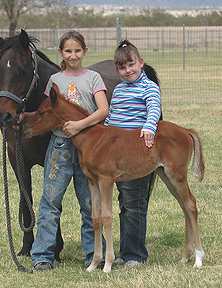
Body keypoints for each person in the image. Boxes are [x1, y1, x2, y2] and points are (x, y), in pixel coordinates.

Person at [31, 30, 109, 271]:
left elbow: (103, 110)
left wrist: (79, 125)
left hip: (89, 146)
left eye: (77, 50)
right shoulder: (54, 80)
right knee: (50, 201)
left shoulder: (93, 78)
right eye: (68, 51)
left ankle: (94, 253)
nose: (73, 55)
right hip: (59, 146)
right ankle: (43, 254)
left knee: (89, 203)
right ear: (60, 53)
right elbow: (49, 111)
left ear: (85, 51)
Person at [104, 39, 161, 267]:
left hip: (137, 154)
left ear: (141, 63)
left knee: (134, 204)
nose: (128, 71)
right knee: (124, 202)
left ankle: (136, 255)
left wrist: (149, 126)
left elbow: (154, 108)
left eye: (131, 65)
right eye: (122, 68)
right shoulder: (118, 89)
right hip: (117, 154)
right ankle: (125, 252)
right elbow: (112, 116)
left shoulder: (149, 87)